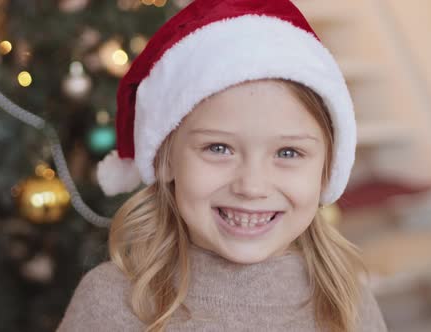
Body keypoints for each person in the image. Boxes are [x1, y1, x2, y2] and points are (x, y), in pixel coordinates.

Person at [58, 0, 388, 331]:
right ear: (165, 159)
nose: (252, 186)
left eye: (288, 153)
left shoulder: (347, 298)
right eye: (219, 148)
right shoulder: (111, 302)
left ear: (327, 170)